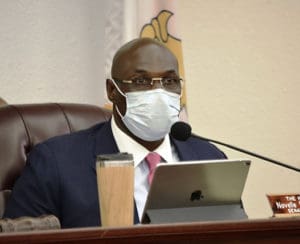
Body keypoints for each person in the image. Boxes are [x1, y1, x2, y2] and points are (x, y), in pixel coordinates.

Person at [3, 38, 226, 228]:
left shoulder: (210, 158)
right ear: (112, 91)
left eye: (169, 81)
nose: (158, 93)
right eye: (141, 81)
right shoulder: (55, 162)